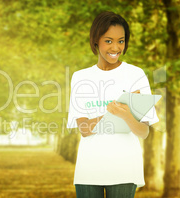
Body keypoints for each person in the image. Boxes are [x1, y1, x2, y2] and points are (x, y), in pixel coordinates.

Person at [66, 11, 159, 198]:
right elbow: (84, 128)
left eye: (121, 41)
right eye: (108, 41)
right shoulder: (81, 77)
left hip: (125, 167)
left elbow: (143, 131)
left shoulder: (136, 75)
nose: (116, 47)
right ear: (96, 41)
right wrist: (113, 112)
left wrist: (125, 114)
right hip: (89, 168)